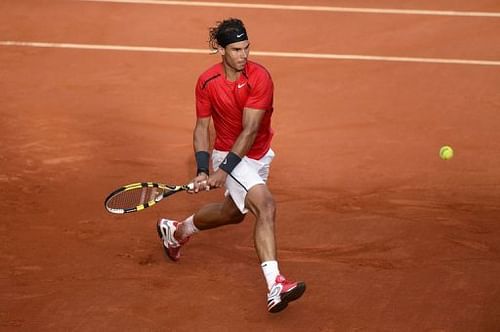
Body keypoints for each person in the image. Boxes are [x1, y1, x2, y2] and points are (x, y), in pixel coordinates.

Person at [156, 18, 305, 313]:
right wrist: (203, 168)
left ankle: (177, 231)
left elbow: (250, 131)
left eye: (246, 48)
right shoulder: (206, 82)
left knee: (233, 214)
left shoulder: (260, 77)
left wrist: (222, 174)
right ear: (221, 50)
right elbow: (202, 128)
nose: (244, 55)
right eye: (236, 49)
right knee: (266, 205)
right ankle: (275, 284)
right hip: (227, 153)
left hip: (256, 153)